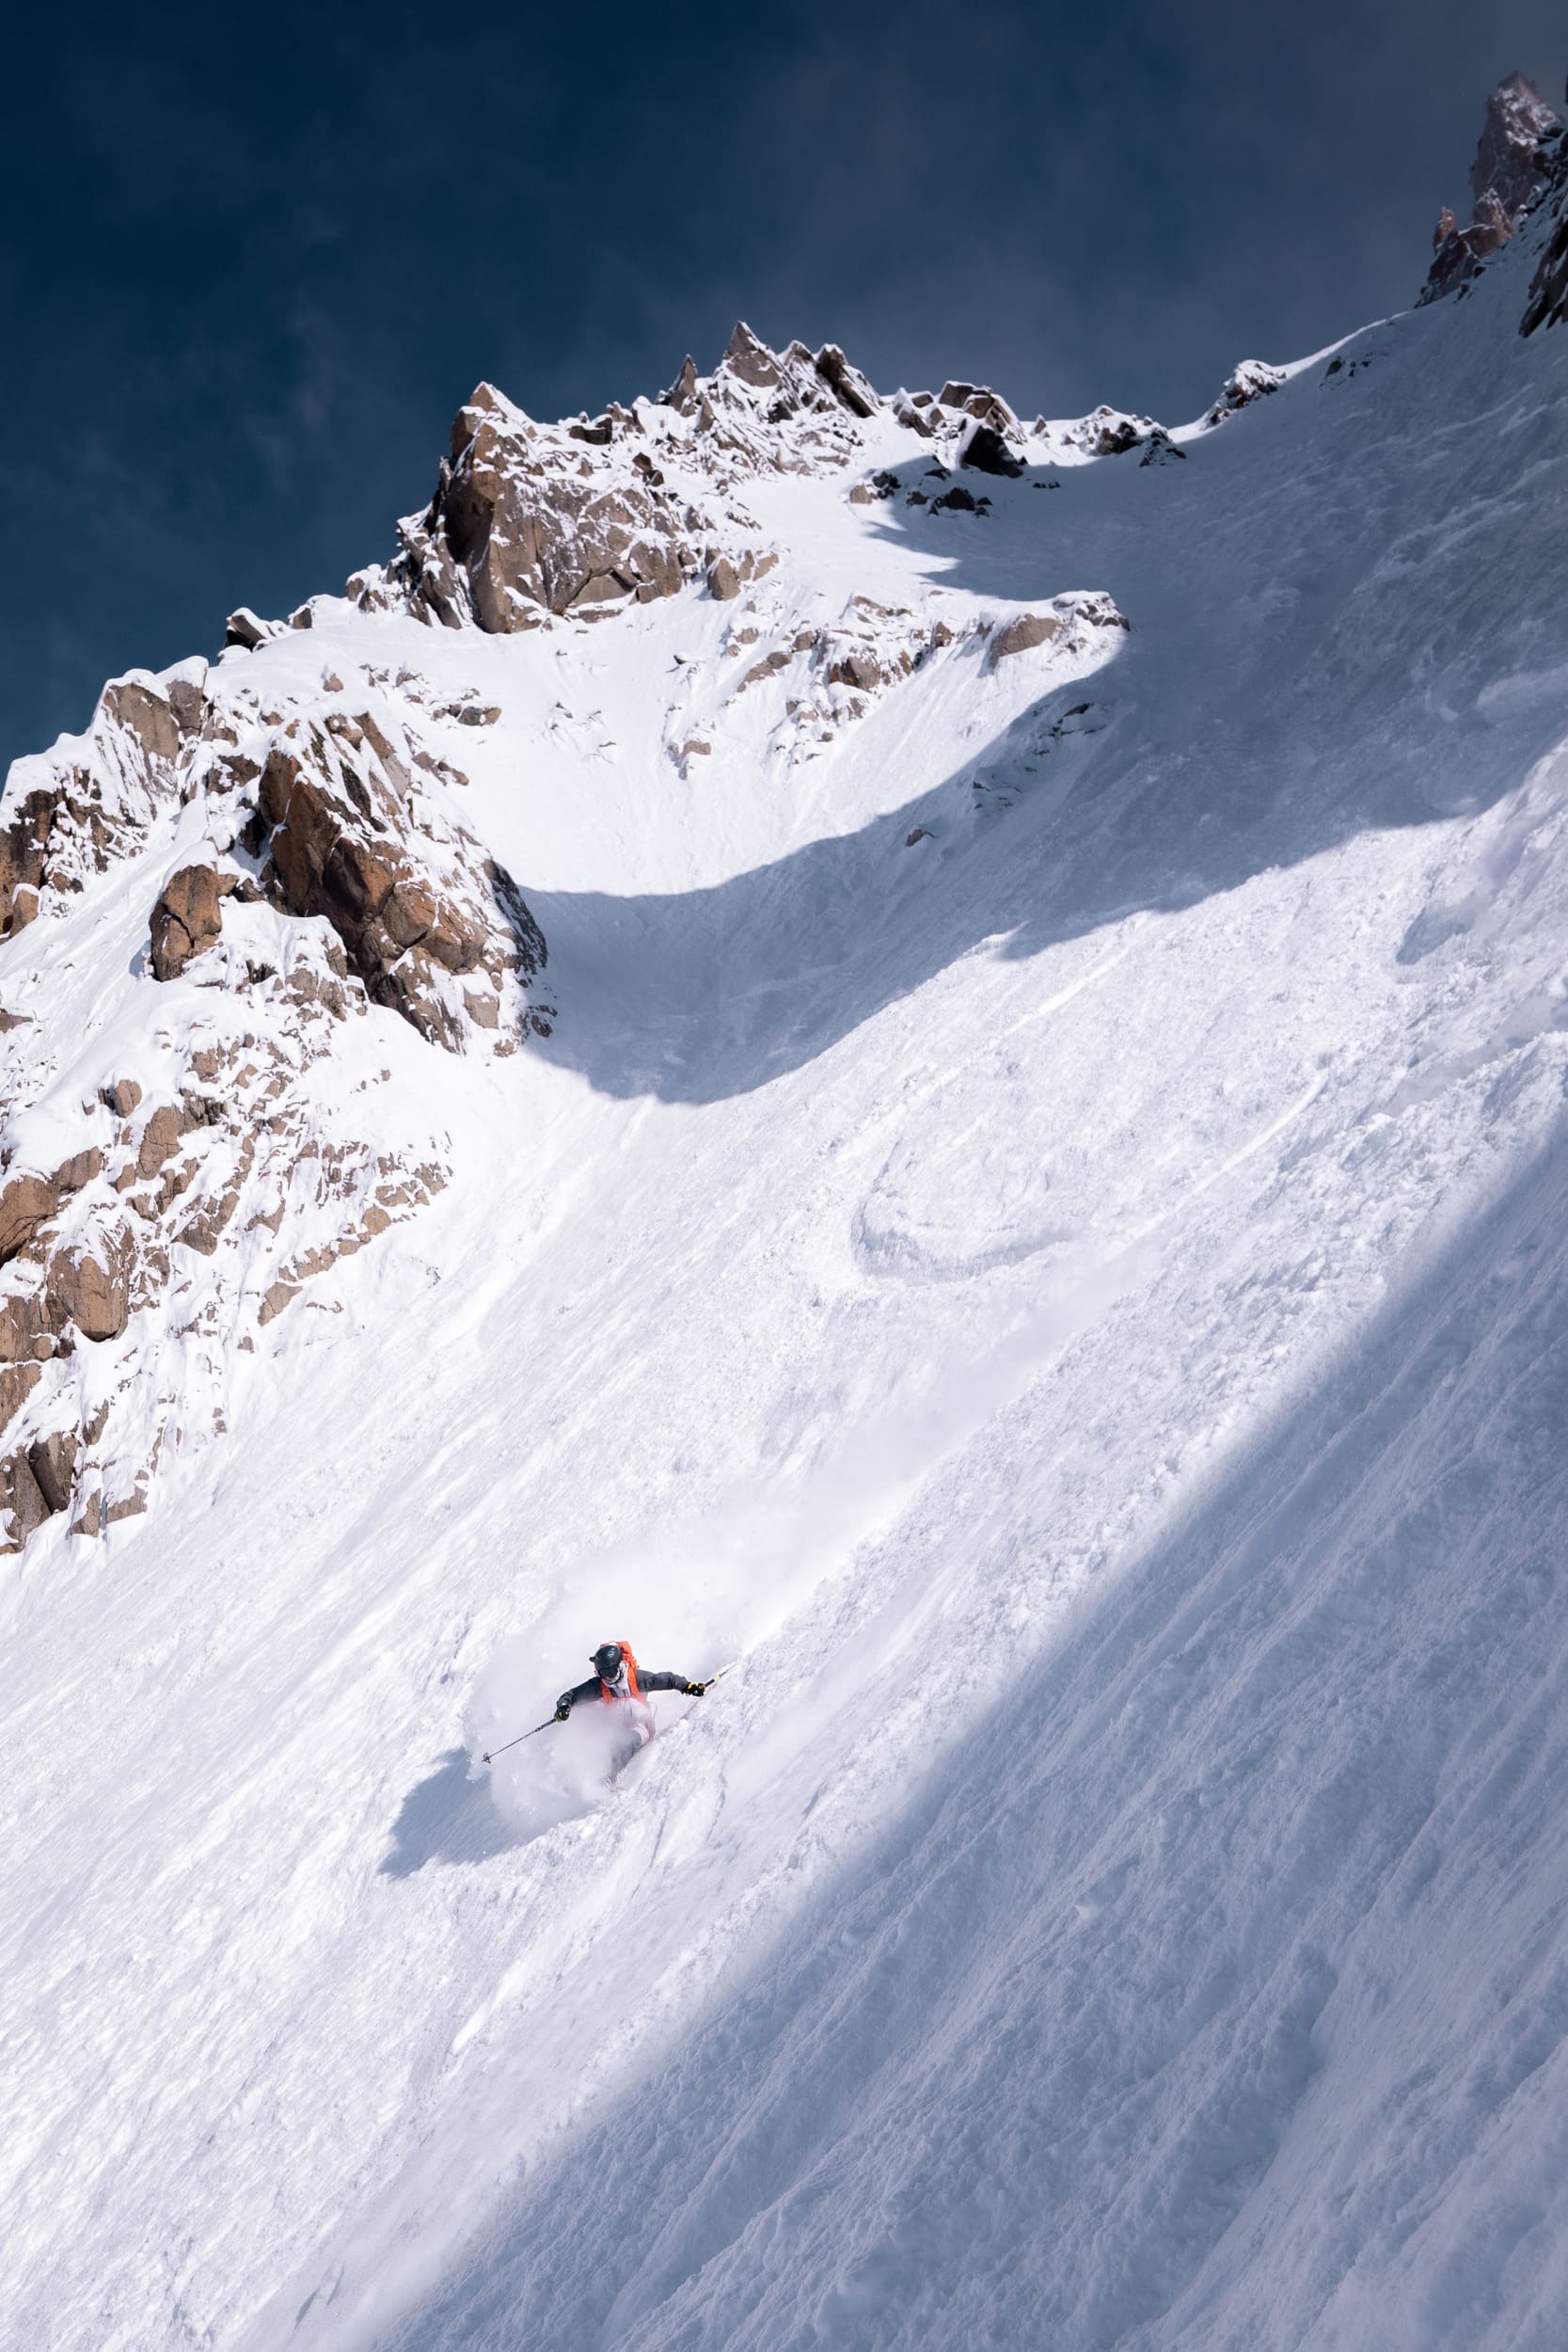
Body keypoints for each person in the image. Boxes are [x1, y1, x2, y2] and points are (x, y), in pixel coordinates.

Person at [554, 1641, 708, 1777]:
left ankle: (609, 1778)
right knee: (596, 1742)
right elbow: (572, 1695)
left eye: (610, 1672)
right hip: (616, 1728)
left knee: (626, 1742)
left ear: (619, 1665)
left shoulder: (637, 1678)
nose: (608, 1677)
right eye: (603, 1673)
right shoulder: (598, 1685)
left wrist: (687, 1686)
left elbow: (668, 1679)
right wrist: (564, 1707)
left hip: (642, 1725)